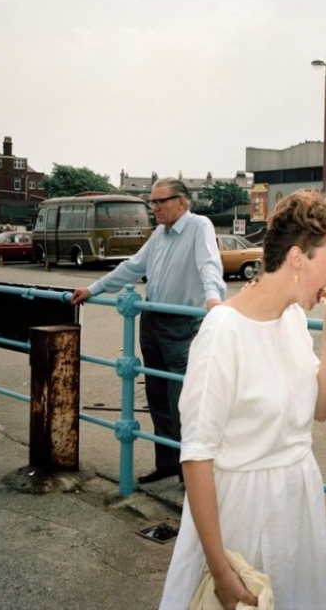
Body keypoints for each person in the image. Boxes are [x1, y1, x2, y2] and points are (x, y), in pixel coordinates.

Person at [158, 189, 326, 610]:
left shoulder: (290, 318)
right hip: (242, 515)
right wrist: (219, 569)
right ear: (297, 258)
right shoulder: (223, 332)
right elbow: (196, 455)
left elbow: (319, 411)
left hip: (295, 506)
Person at [71, 177, 225, 484]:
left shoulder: (199, 226)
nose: (153, 207)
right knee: (156, 394)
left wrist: (213, 297)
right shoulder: (160, 234)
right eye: (151, 202)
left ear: (182, 202)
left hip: (182, 325)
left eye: (160, 201)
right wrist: (93, 289)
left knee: (182, 398)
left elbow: (209, 264)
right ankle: (167, 462)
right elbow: (133, 266)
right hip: (152, 320)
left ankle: (189, 474)